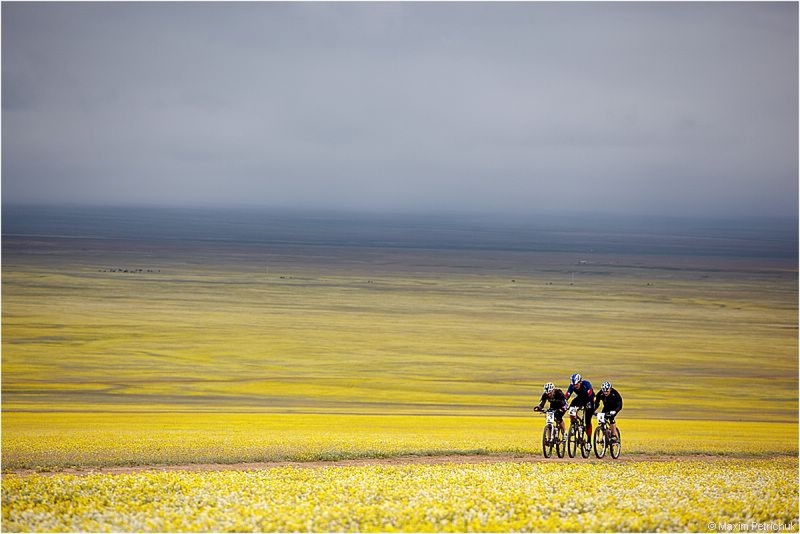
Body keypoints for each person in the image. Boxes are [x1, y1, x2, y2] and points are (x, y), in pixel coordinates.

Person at [565, 373, 595, 451]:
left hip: (589, 400)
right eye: (574, 385)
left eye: (576, 384)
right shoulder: (572, 386)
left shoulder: (586, 384)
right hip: (581, 398)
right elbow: (567, 395)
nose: (575, 386)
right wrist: (564, 403)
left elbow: (591, 394)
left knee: (587, 420)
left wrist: (589, 403)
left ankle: (589, 442)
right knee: (571, 406)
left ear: (580, 382)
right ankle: (573, 425)